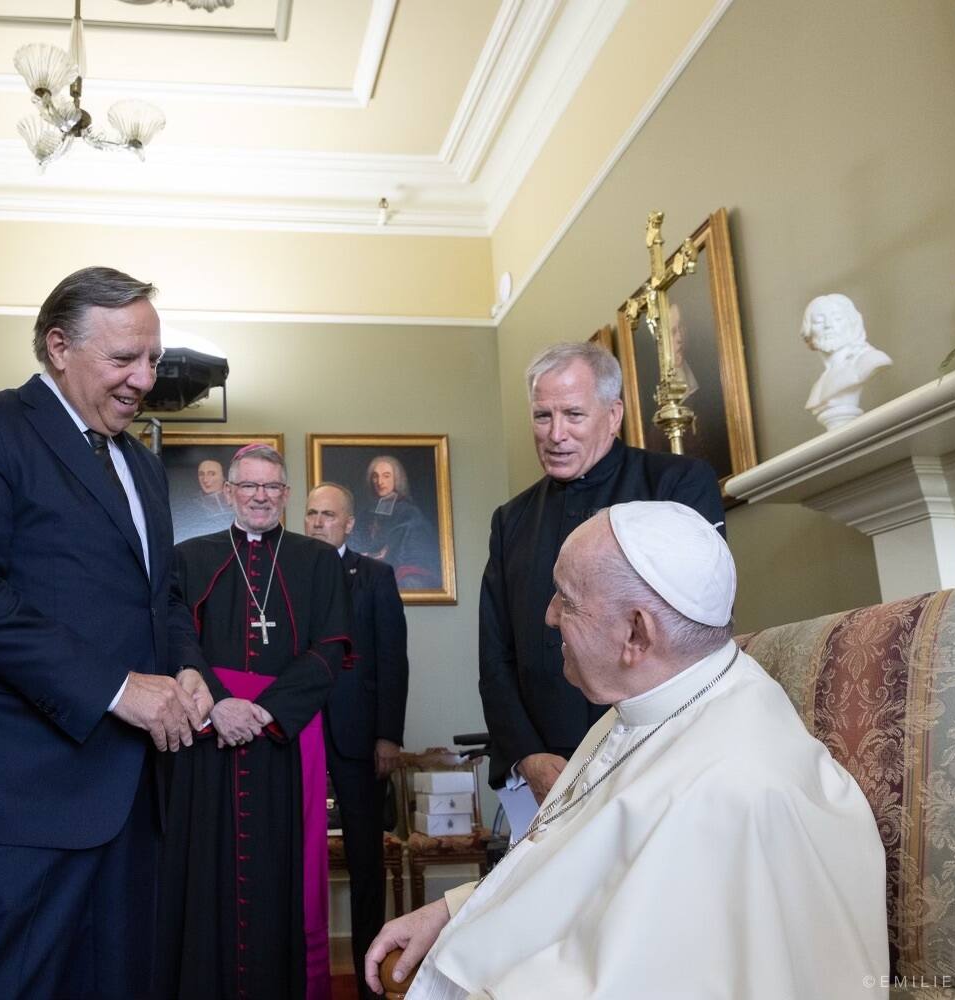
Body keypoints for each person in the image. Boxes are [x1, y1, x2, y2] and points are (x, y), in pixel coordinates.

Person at [368, 502, 889, 999]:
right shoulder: (646, 705)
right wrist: (454, 911)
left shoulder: (735, 791)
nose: (549, 617)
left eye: (565, 599)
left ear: (636, 633)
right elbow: (570, 860)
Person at [0, 266, 212, 999]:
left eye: (151, 359)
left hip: (133, 801)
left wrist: (188, 666)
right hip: (18, 803)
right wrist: (115, 689)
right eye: (122, 360)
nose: (143, 379)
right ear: (57, 347)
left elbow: (160, 596)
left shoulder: (141, 465)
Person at [479, 342, 724, 819]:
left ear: (613, 415)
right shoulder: (511, 519)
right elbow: (495, 650)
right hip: (542, 767)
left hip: (653, 750)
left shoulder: (676, 484)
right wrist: (527, 755)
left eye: (573, 414)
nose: (555, 434)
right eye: (541, 416)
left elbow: (692, 628)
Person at [156, 444, 352, 1000]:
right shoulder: (190, 558)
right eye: (249, 487)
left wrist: (265, 711)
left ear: (287, 496)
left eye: (272, 488)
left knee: (280, 875)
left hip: (285, 738)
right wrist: (218, 703)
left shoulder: (316, 561)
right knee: (205, 870)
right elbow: (175, 638)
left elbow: (332, 648)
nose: (260, 497)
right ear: (228, 494)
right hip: (206, 732)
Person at [305, 481, 409, 1000]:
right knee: (295, 856)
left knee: (365, 859)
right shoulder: (286, 574)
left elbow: (393, 661)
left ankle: (370, 975)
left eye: (328, 514)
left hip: (358, 736)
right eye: (311, 514)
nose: (317, 522)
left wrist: (388, 735)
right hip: (296, 735)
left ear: (349, 523)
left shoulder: (375, 576)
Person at [801, 293, 892, 430]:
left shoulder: (870, 360)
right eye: (819, 321)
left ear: (852, 323)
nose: (828, 326)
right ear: (809, 331)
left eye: (837, 318)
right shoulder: (819, 384)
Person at [351, 454, 441, 590]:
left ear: (397, 479)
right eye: (375, 476)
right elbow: (356, 543)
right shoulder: (366, 513)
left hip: (402, 574)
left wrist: (373, 556)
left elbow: (405, 551)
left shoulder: (408, 512)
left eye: (386, 476)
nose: (379, 481)